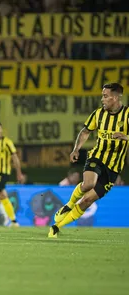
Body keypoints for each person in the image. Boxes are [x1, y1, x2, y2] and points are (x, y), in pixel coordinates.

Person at [49, 83, 128, 238]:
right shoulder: (98, 114)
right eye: (102, 96)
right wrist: (76, 149)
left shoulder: (127, 115)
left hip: (113, 167)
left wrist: (125, 137)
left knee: (87, 201)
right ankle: (69, 205)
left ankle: (57, 226)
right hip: (96, 156)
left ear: (116, 96)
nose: (102, 99)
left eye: (105, 96)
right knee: (88, 184)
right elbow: (85, 131)